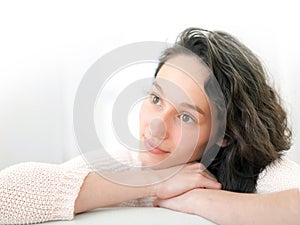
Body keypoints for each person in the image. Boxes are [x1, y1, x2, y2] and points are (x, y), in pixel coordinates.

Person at [0, 27, 299, 225]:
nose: (156, 128)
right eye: (156, 99)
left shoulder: (260, 171)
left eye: (185, 117)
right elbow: (6, 196)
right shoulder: (128, 162)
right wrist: (154, 181)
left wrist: (199, 200)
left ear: (224, 135)